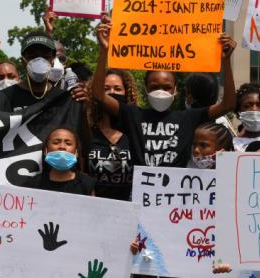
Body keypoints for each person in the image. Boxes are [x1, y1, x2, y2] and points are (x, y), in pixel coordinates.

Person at [93, 14, 236, 167]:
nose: (161, 91)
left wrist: (226, 62)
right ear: (146, 89)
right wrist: (104, 51)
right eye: (155, 87)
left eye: (167, 87)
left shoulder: (188, 118)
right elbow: (98, 95)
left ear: (176, 90)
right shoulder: (132, 115)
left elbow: (227, 104)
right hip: (142, 189)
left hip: (175, 190)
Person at [88, 69, 137, 201]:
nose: (112, 93)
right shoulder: (88, 133)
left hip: (128, 210)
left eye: (117, 88)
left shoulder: (135, 133)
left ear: (127, 93)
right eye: (106, 89)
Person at [24, 127, 96, 196]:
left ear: (76, 152)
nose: (62, 146)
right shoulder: (33, 185)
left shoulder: (87, 184)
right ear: (46, 151)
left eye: (68, 143)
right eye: (56, 142)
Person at [233, 83, 260, 151]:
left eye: (259, 105)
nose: (254, 109)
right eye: (247, 106)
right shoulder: (230, 145)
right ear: (239, 112)